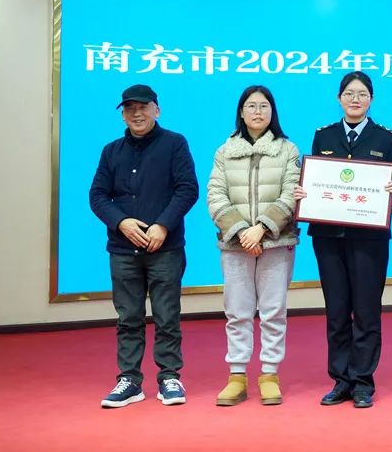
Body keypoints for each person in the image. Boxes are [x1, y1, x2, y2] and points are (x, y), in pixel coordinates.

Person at [294, 71, 392, 408]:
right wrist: (304, 193)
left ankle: (362, 382)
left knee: (367, 311)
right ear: (339, 98)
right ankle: (340, 380)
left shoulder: (386, 137)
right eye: (349, 94)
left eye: (362, 94)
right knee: (337, 310)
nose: (355, 99)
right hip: (329, 237)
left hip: (370, 239)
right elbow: (316, 180)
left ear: (371, 99)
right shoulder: (323, 135)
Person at [89, 84, 199, 408]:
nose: (136, 114)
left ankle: (169, 377)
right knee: (128, 318)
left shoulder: (175, 144)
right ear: (123, 114)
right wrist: (121, 222)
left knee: (167, 316)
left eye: (143, 107)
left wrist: (163, 225)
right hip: (123, 250)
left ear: (157, 110)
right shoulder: (111, 151)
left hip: (165, 248)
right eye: (130, 109)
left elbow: (187, 189)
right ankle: (130, 380)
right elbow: (97, 196)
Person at [206, 86, 301, 406]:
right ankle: (237, 376)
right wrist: (242, 232)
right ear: (241, 112)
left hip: (276, 241)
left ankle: (270, 374)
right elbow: (215, 195)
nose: (258, 112)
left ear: (273, 112)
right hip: (236, 244)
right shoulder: (225, 151)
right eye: (251, 106)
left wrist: (261, 228)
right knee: (237, 311)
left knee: (274, 311)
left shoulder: (287, 150)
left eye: (264, 106)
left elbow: (291, 194)